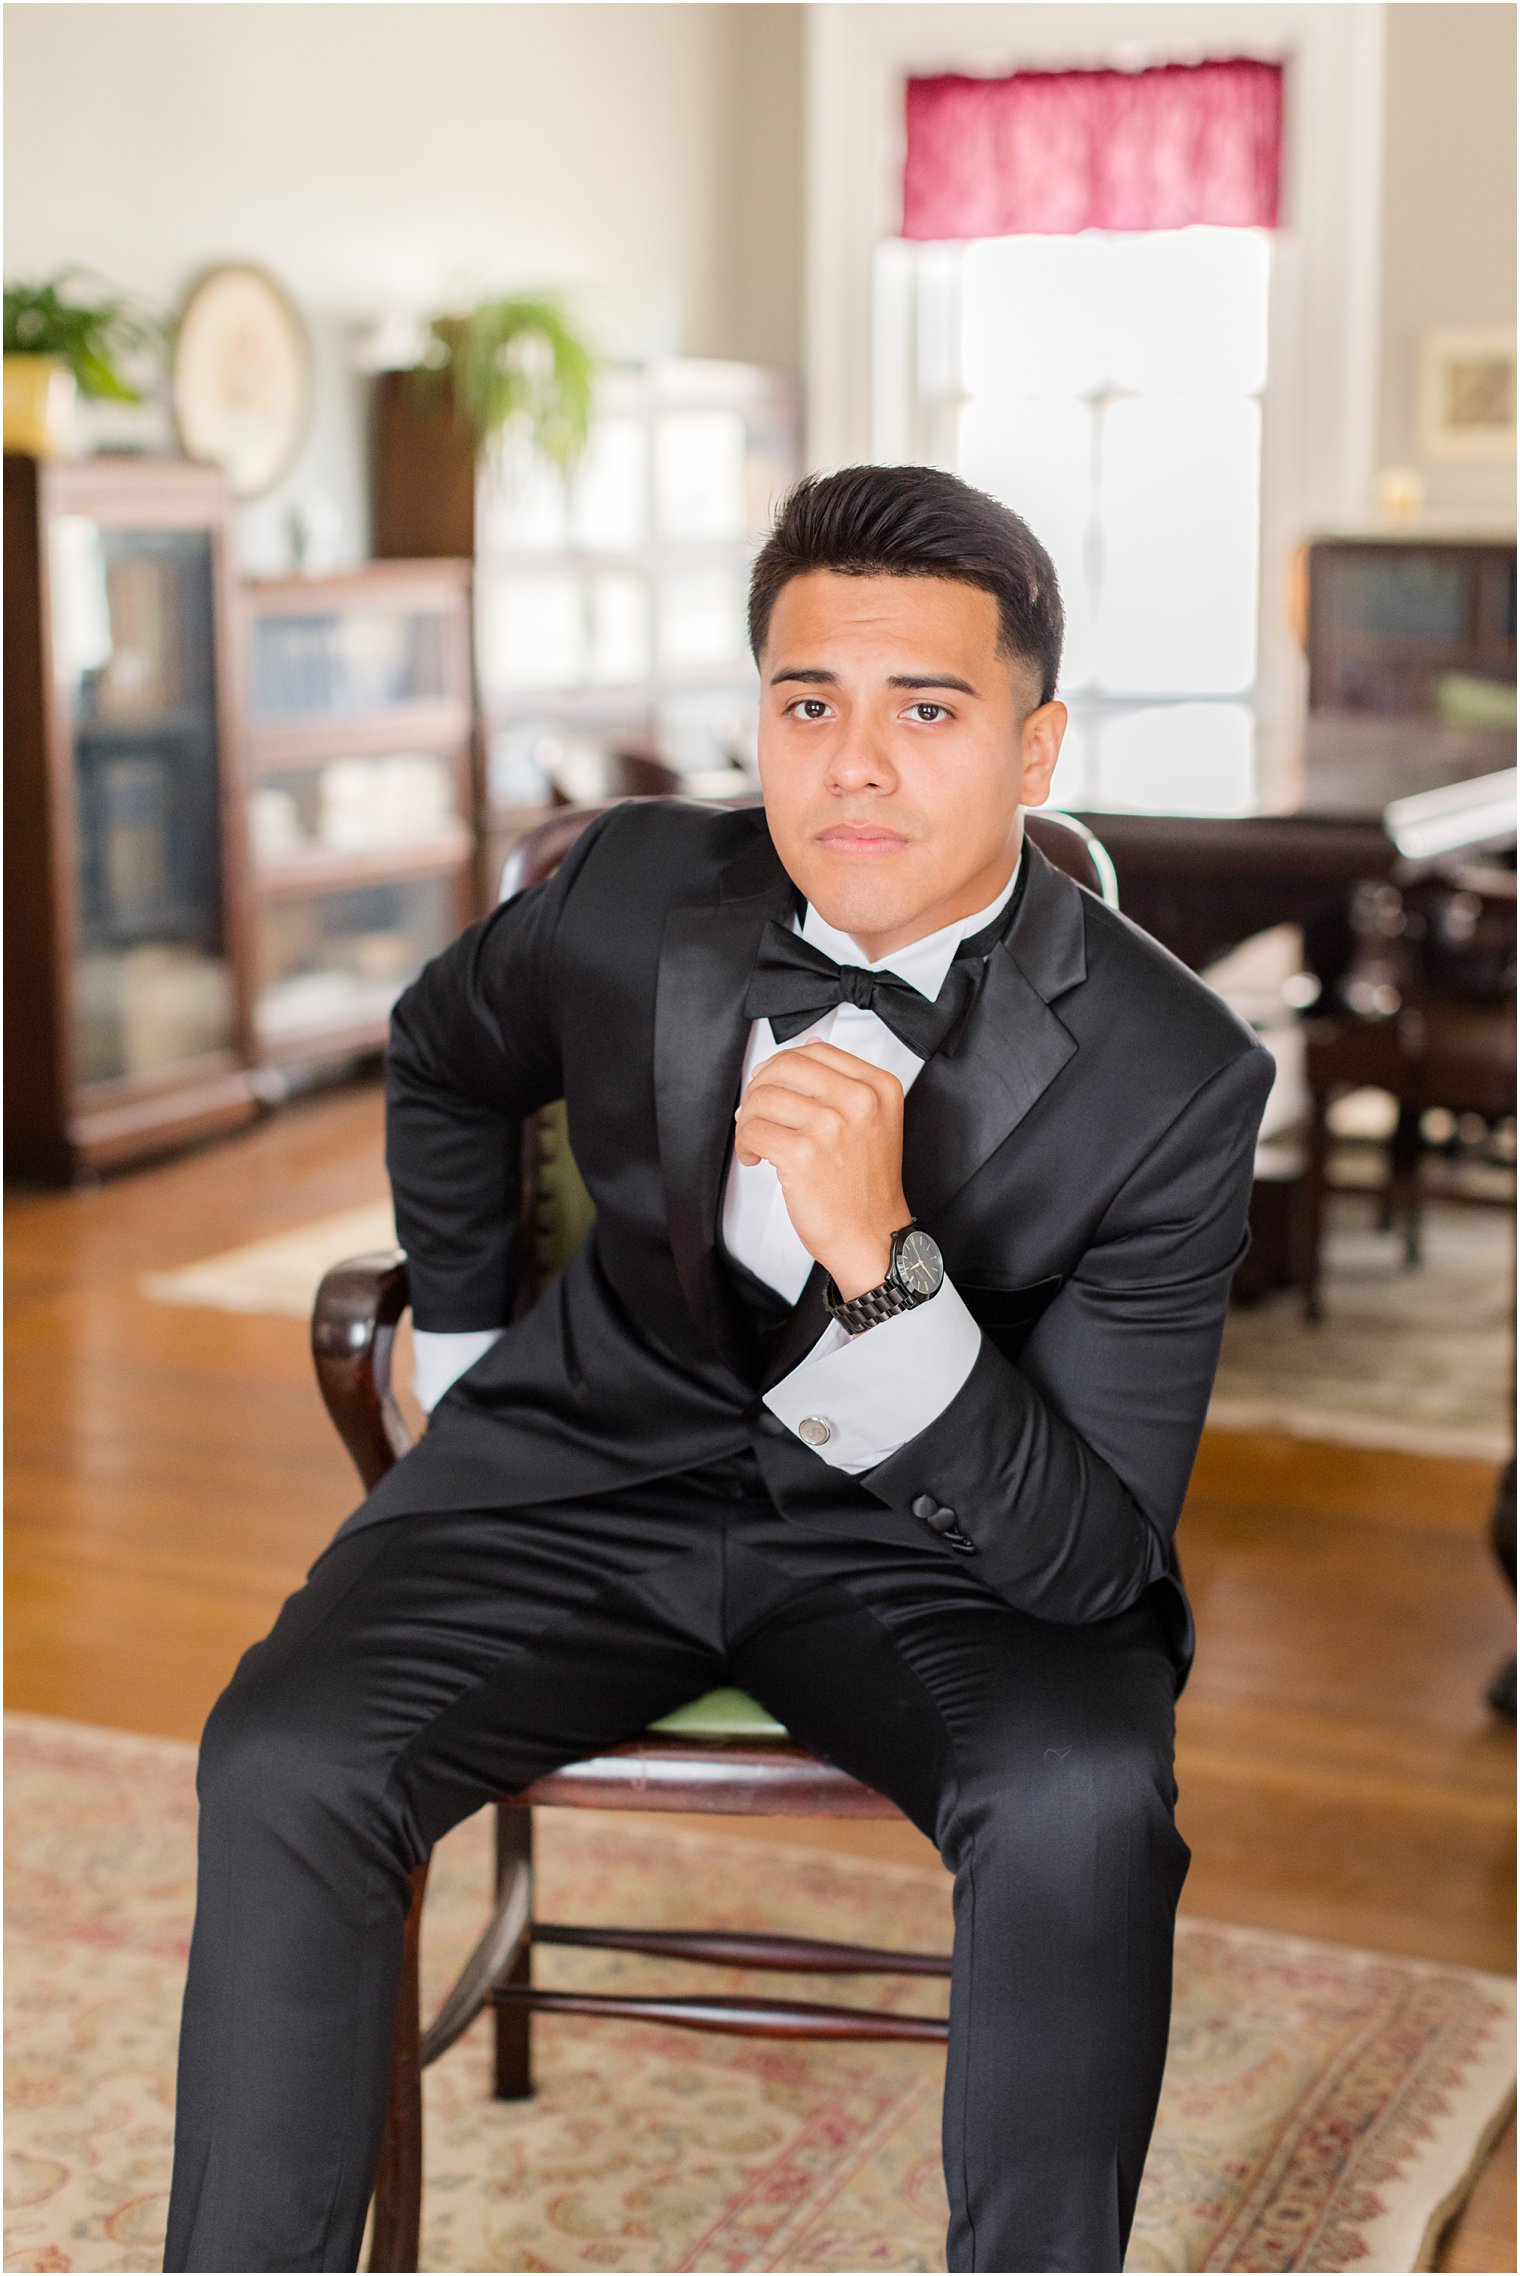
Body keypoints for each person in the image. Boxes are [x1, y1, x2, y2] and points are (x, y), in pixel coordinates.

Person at [164, 464, 1275, 2274]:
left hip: (945, 1551)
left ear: (1037, 744)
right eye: (806, 703)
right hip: (576, 1471)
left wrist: (881, 1265)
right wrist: (461, 1338)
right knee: (284, 1754)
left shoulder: (1177, 1077)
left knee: (1081, 1804)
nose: (854, 766)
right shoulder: (628, 893)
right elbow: (443, 1052)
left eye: (929, 710)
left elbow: (1091, 1558)